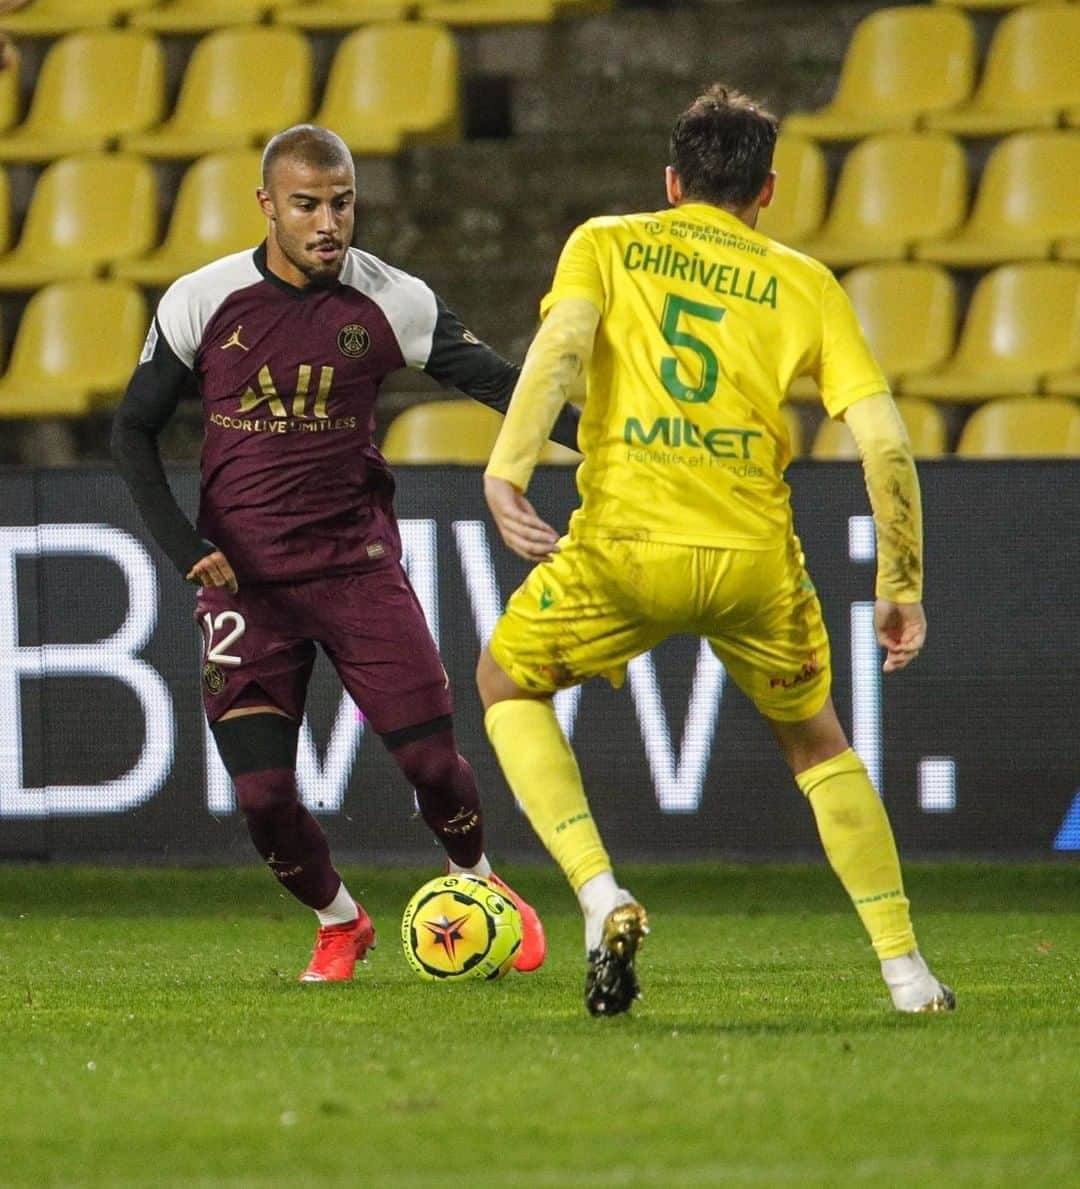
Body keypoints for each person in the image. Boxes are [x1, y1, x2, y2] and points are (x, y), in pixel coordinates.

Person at [476, 84, 955, 1018]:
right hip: (751, 559)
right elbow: (886, 440)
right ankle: (906, 973)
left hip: (626, 546)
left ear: (670, 180)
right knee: (817, 743)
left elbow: (561, 347)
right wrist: (901, 582)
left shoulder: (606, 243)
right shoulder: (806, 282)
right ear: (767, 189)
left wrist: (508, 469)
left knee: (503, 682)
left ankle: (597, 892)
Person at [112, 124, 574, 982]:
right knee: (262, 796)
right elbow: (132, 430)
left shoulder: (392, 301)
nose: (329, 223)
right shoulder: (200, 300)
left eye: (342, 203)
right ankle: (340, 920)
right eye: (307, 205)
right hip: (244, 587)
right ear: (267, 208)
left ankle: (479, 887)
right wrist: (185, 546)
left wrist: (608, 445)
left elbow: (505, 386)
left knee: (434, 764)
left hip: (357, 570)